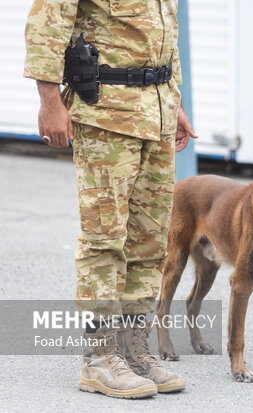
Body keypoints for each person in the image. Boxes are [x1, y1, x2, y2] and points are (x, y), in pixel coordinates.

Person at [24, 0, 197, 398]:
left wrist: (177, 105)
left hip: (156, 114)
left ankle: (134, 348)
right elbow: (46, 26)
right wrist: (50, 102)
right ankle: (99, 357)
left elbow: (166, 35)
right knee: (104, 238)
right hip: (106, 113)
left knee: (151, 240)